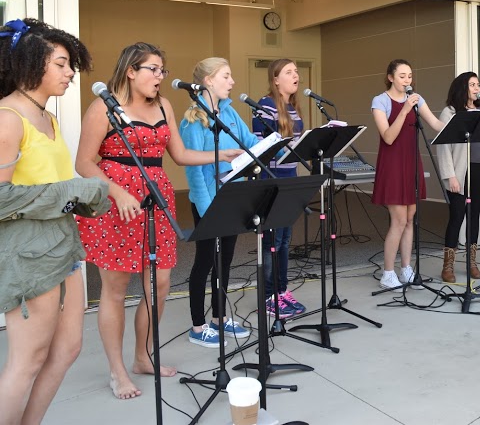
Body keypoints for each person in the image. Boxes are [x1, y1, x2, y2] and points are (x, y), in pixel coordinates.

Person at [75, 43, 239, 399]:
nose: (160, 77)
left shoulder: (164, 105)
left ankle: (142, 357)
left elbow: (177, 154)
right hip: (115, 203)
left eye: (162, 70)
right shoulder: (103, 107)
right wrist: (117, 192)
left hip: (155, 197)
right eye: (153, 69)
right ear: (131, 71)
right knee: (115, 291)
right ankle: (117, 371)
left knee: (160, 283)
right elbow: (84, 162)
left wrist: (220, 153)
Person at [0, 19, 110, 425]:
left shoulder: (48, 119)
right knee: (27, 362)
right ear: (32, 64)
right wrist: (70, 194)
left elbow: (50, 187)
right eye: (62, 64)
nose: (70, 73)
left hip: (64, 246)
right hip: (29, 253)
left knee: (67, 350)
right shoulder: (8, 117)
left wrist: (83, 200)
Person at [181, 58, 259, 347]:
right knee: (204, 262)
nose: (232, 82)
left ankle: (219, 318)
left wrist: (277, 141)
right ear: (209, 81)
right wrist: (206, 209)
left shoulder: (229, 112)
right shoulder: (193, 120)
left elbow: (249, 140)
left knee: (225, 262)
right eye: (227, 76)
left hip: (232, 197)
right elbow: (194, 170)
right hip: (208, 203)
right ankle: (198, 326)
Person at [371, 59, 445, 289]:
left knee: (411, 218)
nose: (407, 80)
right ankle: (388, 272)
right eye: (402, 76)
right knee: (399, 219)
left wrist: (462, 123)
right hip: (392, 164)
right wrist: (404, 110)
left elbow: (435, 123)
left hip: (411, 163)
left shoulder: (417, 99)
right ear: (391, 77)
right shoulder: (380, 101)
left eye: (410, 76)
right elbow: (388, 137)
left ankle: (406, 268)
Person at [252, 58, 306, 318]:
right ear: (275, 79)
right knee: (271, 241)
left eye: (296, 71)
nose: (295, 75)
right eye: (288, 72)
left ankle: (282, 290)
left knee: (285, 240)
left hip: (290, 177)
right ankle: (268, 295)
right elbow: (260, 146)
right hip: (271, 179)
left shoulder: (293, 108)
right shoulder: (265, 105)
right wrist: (288, 147)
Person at [436, 72, 480, 283]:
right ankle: (448, 266)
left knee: (475, 216)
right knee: (457, 216)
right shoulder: (450, 112)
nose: (476, 88)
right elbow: (443, 147)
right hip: (460, 172)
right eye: (472, 84)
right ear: (462, 88)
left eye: (478, 84)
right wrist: (450, 176)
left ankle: (472, 263)